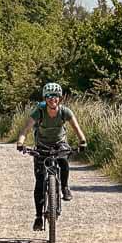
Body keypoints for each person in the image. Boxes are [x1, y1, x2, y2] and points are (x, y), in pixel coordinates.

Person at [16, 81, 88, 232]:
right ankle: (38, 217)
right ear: (45, 98)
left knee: (63, 160)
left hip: (59, 143)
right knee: (39, 182)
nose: (52, 99)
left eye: (55, 96)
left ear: (60, 98)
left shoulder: (65, 112)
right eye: (49, 96)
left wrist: (82, 141)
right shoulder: (39, 111)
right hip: (42, 145)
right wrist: (21, 142)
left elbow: (76, 128)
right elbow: (25, 129)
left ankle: (65, 187)